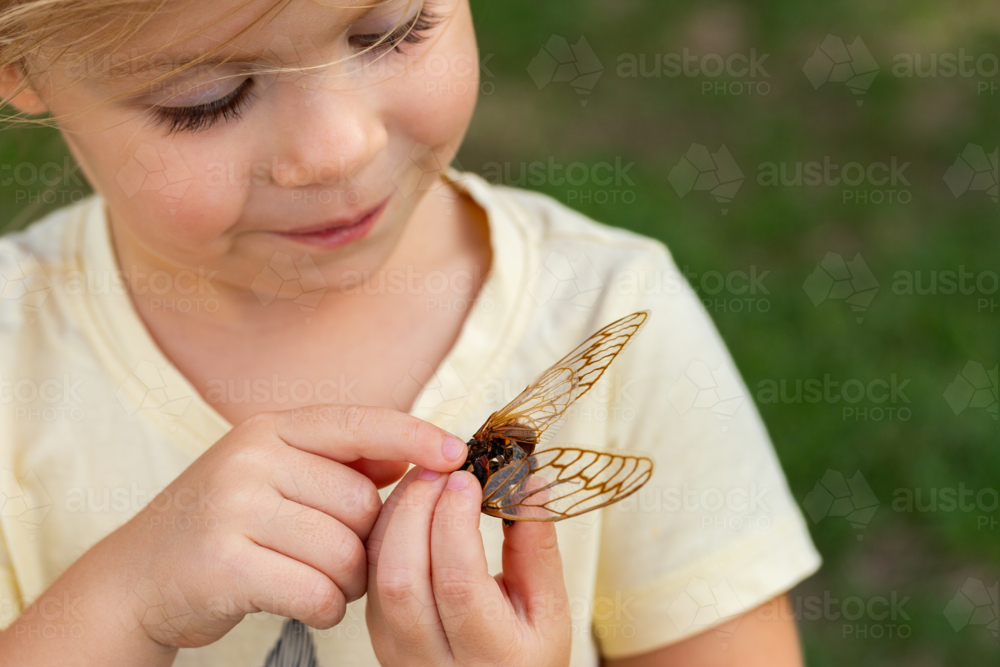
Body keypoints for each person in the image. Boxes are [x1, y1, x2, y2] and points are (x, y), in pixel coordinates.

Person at [0, 1, 821, 665]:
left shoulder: (606, 311)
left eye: (394, 30)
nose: (336, 148)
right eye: (204, 99)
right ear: (19, 66)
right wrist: (121, 602)